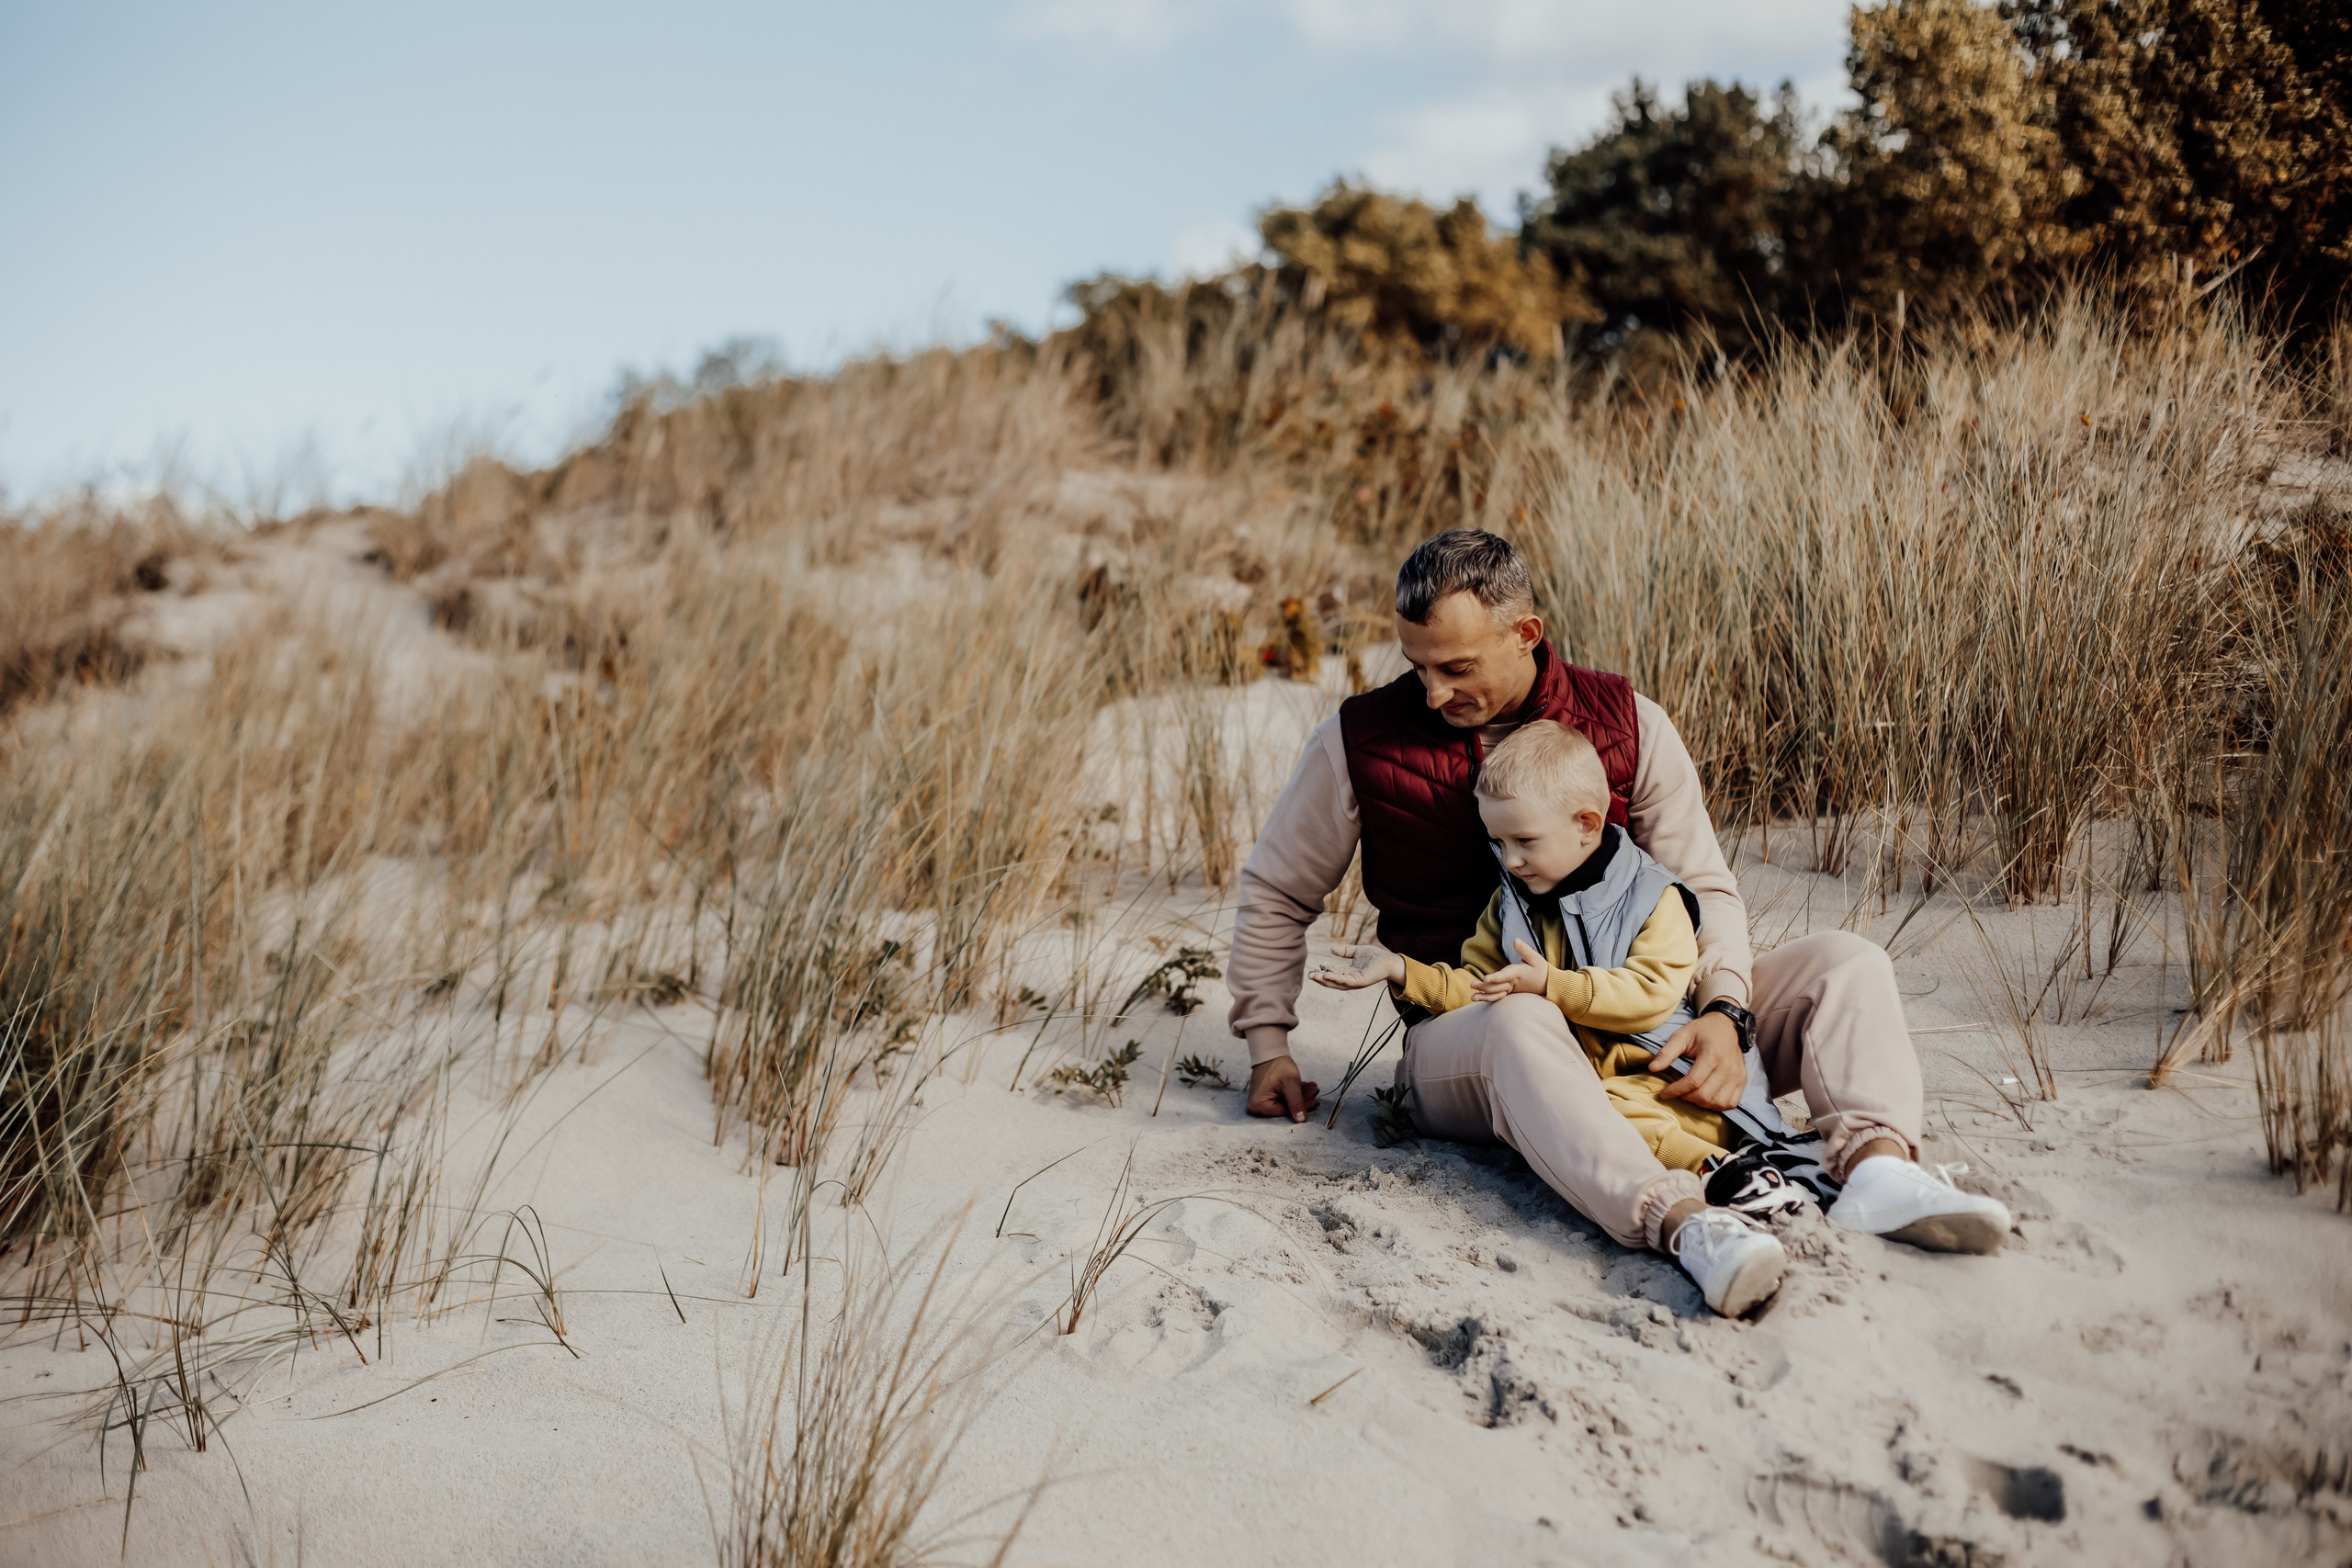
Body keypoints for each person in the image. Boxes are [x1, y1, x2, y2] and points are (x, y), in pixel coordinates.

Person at [1226, 528, 2011, 1276]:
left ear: (1526, 631)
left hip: (1641, 1026)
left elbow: (1704, 888)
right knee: (1522, 1018)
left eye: (1457, 667)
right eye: (1417, 664)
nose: (1431, 692)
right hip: (1471, 1033)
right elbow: (1276, 888)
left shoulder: (1630, 723)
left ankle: (1877, 1171)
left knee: (1847, 963)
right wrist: (1269, 1044)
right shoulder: (1359, 739)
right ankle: (1683, 1221)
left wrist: (1725, 1016)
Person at [1311, 717, 1788, 1315]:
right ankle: (1689, 1226)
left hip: (1634, 1061)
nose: (1508, 861)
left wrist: (1552, 983)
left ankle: (1843, 1170)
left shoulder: (1649, 895)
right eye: (1498, 845)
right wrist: (1404, 971)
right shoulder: (1509, 904)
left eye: (1524, 843)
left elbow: (1654, 993)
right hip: (1542, 1066)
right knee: (1544, 1039)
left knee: (1655, 1106)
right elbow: (1479, 986)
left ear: (1587, 824)